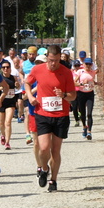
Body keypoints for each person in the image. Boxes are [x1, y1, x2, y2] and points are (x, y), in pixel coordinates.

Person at [24, 45, 77, 192]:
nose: (53, 63)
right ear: (47, 57)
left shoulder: (66, 73)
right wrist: (30, 96)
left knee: (55, 150)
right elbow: (27, 83)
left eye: (56, 60)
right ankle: (44, 168)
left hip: (61, 115)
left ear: (60, 57)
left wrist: (64, 95)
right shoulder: (37, 69)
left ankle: (53, 180)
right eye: (51, 60)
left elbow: (73, 95)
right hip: (43, 114)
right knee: (43, 148)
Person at [0, 60, 21, 150]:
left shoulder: (13, 78)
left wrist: (17, 85)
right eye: (4, 67)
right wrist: (2, 88)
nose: (6, 69)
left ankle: (7, 142)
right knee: (1, 124)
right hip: (1, 102)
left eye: (7, 67)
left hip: (11, 102)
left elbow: (18, 87)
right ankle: (3, 135)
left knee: (8, 122)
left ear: (10, 68)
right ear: (2, 69)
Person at [75, 57, 97, 139]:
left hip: (90, 94)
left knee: (89, 114)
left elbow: (91, 81)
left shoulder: (93, 72)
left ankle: (89, 132)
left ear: (91, 65)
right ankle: (84, 126)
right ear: (83, 64)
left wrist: (97, 83)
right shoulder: (80, 72)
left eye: (89, 64)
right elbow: (73, 83)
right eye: (86, 64)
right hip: (81, 94)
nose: (88, 65)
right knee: (83, 114)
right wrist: (81, 84)